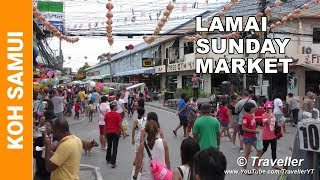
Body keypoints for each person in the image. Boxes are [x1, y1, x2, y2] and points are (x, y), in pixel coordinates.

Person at [242, 102, 262, 171]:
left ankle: (256, 166)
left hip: (254, 137)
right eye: (253, 107)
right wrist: (254, 131)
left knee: (260, 150)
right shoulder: (245, 116)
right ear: (250, 109)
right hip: (248, 137)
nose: (254, 109)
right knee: (247, 153)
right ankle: (244, 168)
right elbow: (243, 128)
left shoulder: (251, 115)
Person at [104, 101, 125, 168]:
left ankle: (108, 159)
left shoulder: (107, 115)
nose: (117, 106)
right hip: (116, 133)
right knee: (115, 147)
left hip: (109, 132)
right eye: (116, 106)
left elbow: (106, 125)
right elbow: (120, 125)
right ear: (114, 107)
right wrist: (123, 132)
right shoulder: (118, 115)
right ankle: (113, 163)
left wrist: (105, 133)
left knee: (109, 146)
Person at [261, 101, 279, 169]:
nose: (269, 109)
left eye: (270, 108)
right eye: (268, 108)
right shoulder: (263, 115)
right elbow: (268, 122)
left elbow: (274, 122)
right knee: (264, 149)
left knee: (274, 149)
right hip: (266, 135)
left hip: (273, 135)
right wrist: (269, 114)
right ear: (265, 108)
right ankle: (257, 158)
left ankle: (275, 164)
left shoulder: (273, 114)